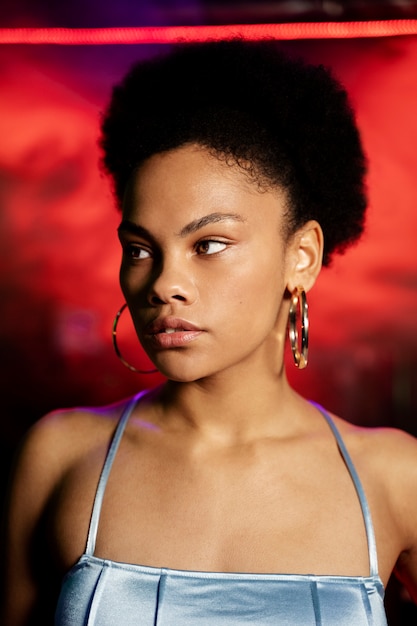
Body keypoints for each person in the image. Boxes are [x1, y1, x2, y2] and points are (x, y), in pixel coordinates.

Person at [1, 38, 417, 626]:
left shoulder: (396, 480)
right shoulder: (61, 458)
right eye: (142, 249)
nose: (165, 283)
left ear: (302, 256)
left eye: (209, 244)